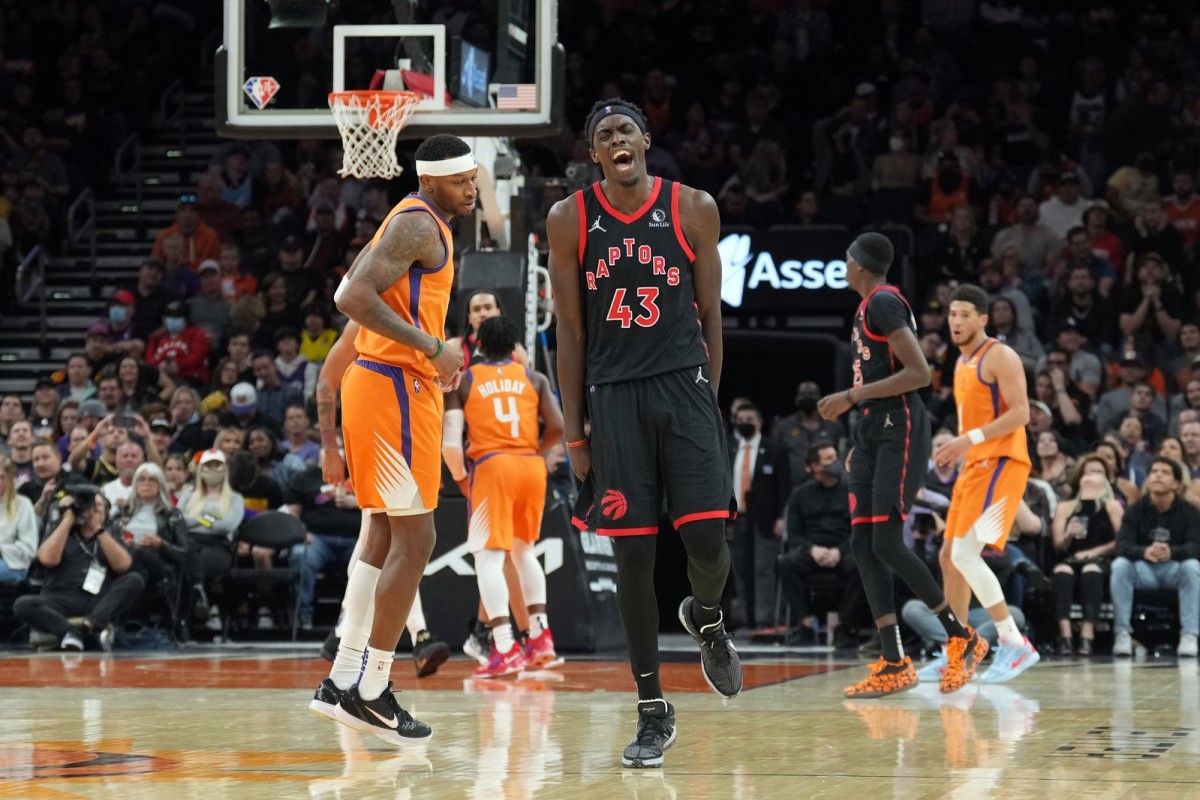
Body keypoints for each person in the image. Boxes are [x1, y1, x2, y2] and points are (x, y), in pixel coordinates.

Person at [547, 98, 740, 769]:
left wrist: (705, 401)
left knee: (708, 542)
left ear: (646, 140)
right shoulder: (569, 219)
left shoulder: (693, 207)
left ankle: (708, 617)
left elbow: (711, 312)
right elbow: (570, 335)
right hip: (616, 398)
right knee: (632, 557)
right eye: (603, 135)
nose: (616, 139)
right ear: (592, 154)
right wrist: (575, 436)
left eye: (625, 129)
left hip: (683, 389)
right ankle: (652, 709)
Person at [313, 134, 472, 746]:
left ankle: (342, 676)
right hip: (396, 389)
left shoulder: (407, 223)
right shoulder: (418, 224)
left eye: (473, 177)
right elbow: (349, 296)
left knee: (380, 533)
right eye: (461, 180)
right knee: (418, 535)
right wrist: (434, 346)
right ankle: (373, 689)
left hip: (383, 385)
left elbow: (362, 289)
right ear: (431, 181)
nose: (472, 188)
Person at [817, 233, 979, 699]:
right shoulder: (869, 305)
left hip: (899, 425)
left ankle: (961, 636)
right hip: (874, 430)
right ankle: (893, 661)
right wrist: (860, 435)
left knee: (886, 540)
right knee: (863, 544)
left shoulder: (884, 302)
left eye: (846, 257)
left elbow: (919, 373)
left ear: (860, 264)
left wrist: (851, 398)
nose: (843, 264)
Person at [306, 316, 452, 679]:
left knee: (380, 540)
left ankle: (343, 641)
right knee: (394, 539)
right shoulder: (369, 319)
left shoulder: (427, 325)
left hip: (407, 430)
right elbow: (326, 380)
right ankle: (404, 642)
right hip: (380, 424)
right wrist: (329, 448)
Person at [443, 316, 565, 678]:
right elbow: (558, 428)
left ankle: (504, 645)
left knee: (489, 558)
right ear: (515, 347)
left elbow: (450, 443)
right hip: (530, 465)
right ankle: (541, 638)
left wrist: (462, 477)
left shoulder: (466, 379)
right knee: (524, 552)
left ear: (477, 345)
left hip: (491, 466)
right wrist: (534, 453)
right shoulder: (534, 378)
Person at [931, 283, 1040, 684]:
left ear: (982, 319)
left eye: (964, 315)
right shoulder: (960, 362)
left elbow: (1022, 413)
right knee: (949, 557)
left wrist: (965, 441)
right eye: (952, 314)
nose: (956, 322)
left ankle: (1014, 642)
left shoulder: (1001, 355)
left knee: (965, 554)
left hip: (1003, 465)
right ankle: (958, 649)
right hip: (974, 467)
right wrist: (962, 449)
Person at [13, 490, 144, 651]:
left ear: (106, 511)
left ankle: (88, 626)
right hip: (60, 597)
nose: (91, 510)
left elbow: (122, 565)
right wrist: (68, 519)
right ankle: (72, 632)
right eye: (86, 505)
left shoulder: (112, 533)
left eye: (97, 506)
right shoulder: (60, 530)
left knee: (134, 580)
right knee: (23, 604)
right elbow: (47, 559)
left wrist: (97, 528)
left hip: (96, 600)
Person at [1109, 457, 1200, 658]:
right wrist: (1144, 552)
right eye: (1154, 471)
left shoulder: (1190, 512)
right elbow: (1122, 545)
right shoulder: (1134, 510)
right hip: (1144, 570)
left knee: (1193, 566)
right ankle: (1122, 633)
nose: (1158, 475)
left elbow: (1196, 546)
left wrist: (1172, 552)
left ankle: (1189, 635)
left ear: (1176, 483)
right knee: (1120, 565)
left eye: (1165, 472)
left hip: (1174, 570)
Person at [1051, 455, 1121, 656]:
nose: (1092, 477)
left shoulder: (1112, 506)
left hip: (1100, 559)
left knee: (1091, 571)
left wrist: (1094, 552)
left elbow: (1121, 540)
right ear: (1080, 478)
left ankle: (1087, 635)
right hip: (1071, 558)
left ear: (1106, 479)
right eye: (1088, 472)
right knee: (1062, 571)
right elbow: (1058, 546)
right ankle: (1065, 636)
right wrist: (1067, 536)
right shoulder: (1066, 508)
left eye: (1098, 473)